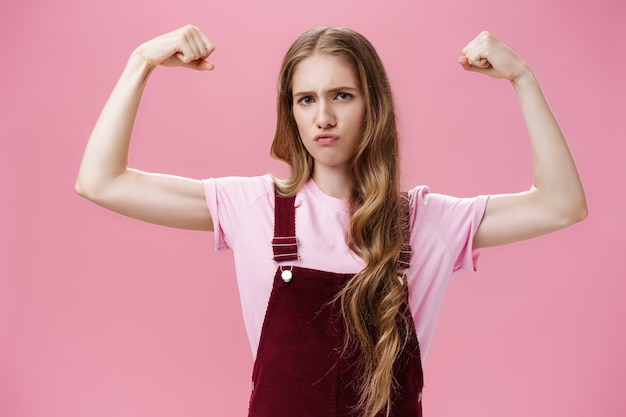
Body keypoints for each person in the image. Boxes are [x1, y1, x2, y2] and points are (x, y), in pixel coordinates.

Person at [75, 25, 587, 417]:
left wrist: (522, 78)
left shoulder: (427, 221)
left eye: (342, 95)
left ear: (373, 106)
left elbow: (562, 204)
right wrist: (140, 62)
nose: (324, 116)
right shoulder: (251, 206)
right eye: (306, 99)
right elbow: (101, 181)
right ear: (291, 114)